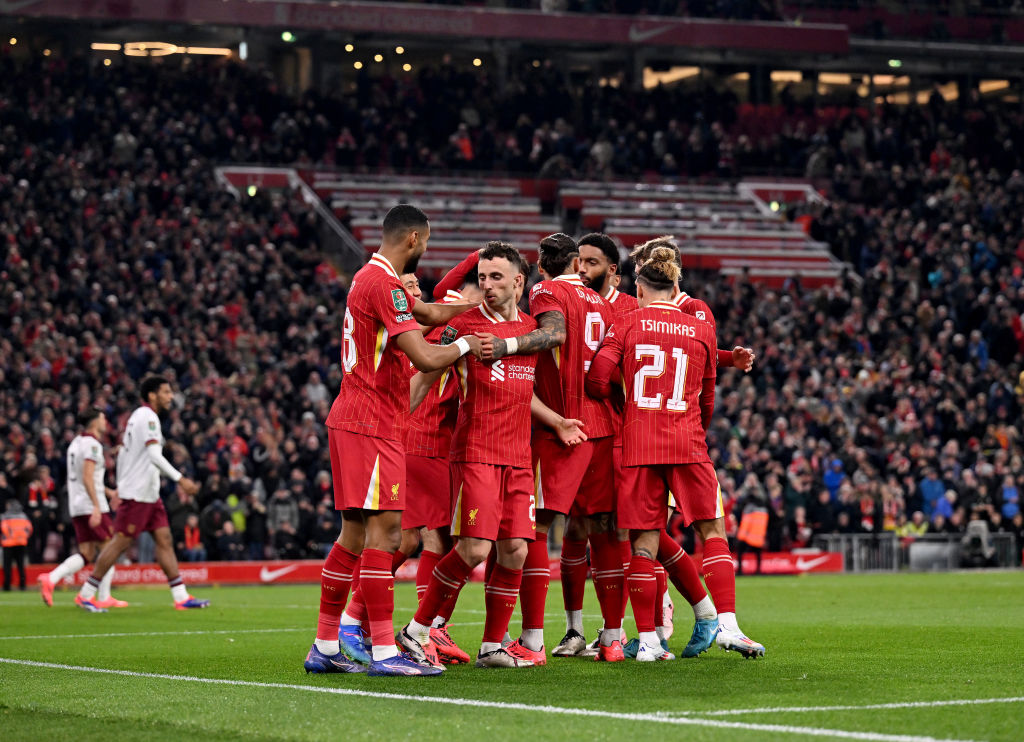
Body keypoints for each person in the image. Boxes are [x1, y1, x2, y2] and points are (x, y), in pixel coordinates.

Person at [303, 204, 482, 677]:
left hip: (353, 418)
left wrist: (466, 311)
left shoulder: (369, 277)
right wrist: (467, 344)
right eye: (424, 243)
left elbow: (426, 310)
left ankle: (325, 645)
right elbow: (424, 357)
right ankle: (384, 651)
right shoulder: (384, 284)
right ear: (414, 241)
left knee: (355, 535)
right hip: (373, 423)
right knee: (386, 535)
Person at [400, 242, 586, 668]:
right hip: (476, 454)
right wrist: (391, 424)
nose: (487, 285)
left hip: (518, 457)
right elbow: (425, 380)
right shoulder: (463, 327)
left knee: (516, 550)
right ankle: (417, 630)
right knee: (473, 549)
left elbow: (523, 392)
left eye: (496, 277)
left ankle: (491, 646)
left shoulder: (528, 330)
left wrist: (556, 421)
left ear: (519, 281)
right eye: (482, 277)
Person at [478, 233, 623, 664]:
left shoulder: (546, 290)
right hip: (602, 428)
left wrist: (506, 345)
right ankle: (613, 638)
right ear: (578, 263)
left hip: (561, 426)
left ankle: (533, 640)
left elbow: (554, 334)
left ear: (539, 267)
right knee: (601, 529)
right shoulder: (603, 301)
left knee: (534, 527)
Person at [629, 237, 764, 659]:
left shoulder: (693, 309)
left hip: (666, 436)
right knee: (647, 534)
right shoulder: (654, 311)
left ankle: (678, 621)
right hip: (658, 434)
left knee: (656, 533)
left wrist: (725, 359)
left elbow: (700, 358)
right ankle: (688, 617)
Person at [585, 247, 720, 660]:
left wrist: (623, 402)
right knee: (681, 533)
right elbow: (708, 389)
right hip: (684, 436)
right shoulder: (696, 321)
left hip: (636, 437)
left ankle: (654, 631)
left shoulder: (628, 319)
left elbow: (597, 379)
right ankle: (698, 618)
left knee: (639, 538)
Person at [74, 376, 209, 613]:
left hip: (148, 493)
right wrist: (180, 479)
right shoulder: (148, 417)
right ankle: (86, 593)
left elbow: (125, 454)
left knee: (164, 539)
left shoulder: (137, 417)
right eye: (166, 392)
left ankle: (181, 596)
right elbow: (154, 456)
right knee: (120, 543)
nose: (170, 396)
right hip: (137, 494)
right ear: (152, 395)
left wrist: (121, 485)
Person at [39, 409, 127, 608]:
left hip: (77, 504)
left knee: (86, 553)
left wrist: (109, 493)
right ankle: (102, 597)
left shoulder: (76, 443)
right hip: (90, 504)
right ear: (95, 422)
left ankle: (51, 579)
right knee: (110, 549)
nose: (106, 421)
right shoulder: (92, 445)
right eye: (103, 418)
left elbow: (87, 478)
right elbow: (88, 477)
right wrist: (97, 506)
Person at [2, 499, 32, 591]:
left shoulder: (5, 516)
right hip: (21, 543)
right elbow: (29, 529)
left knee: (7, 566)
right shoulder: (24, 516)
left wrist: (10, 536)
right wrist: (23, 537)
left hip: (8, 544)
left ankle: (7, 585)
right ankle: (22, 585)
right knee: (20, 565)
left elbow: (4, 528)